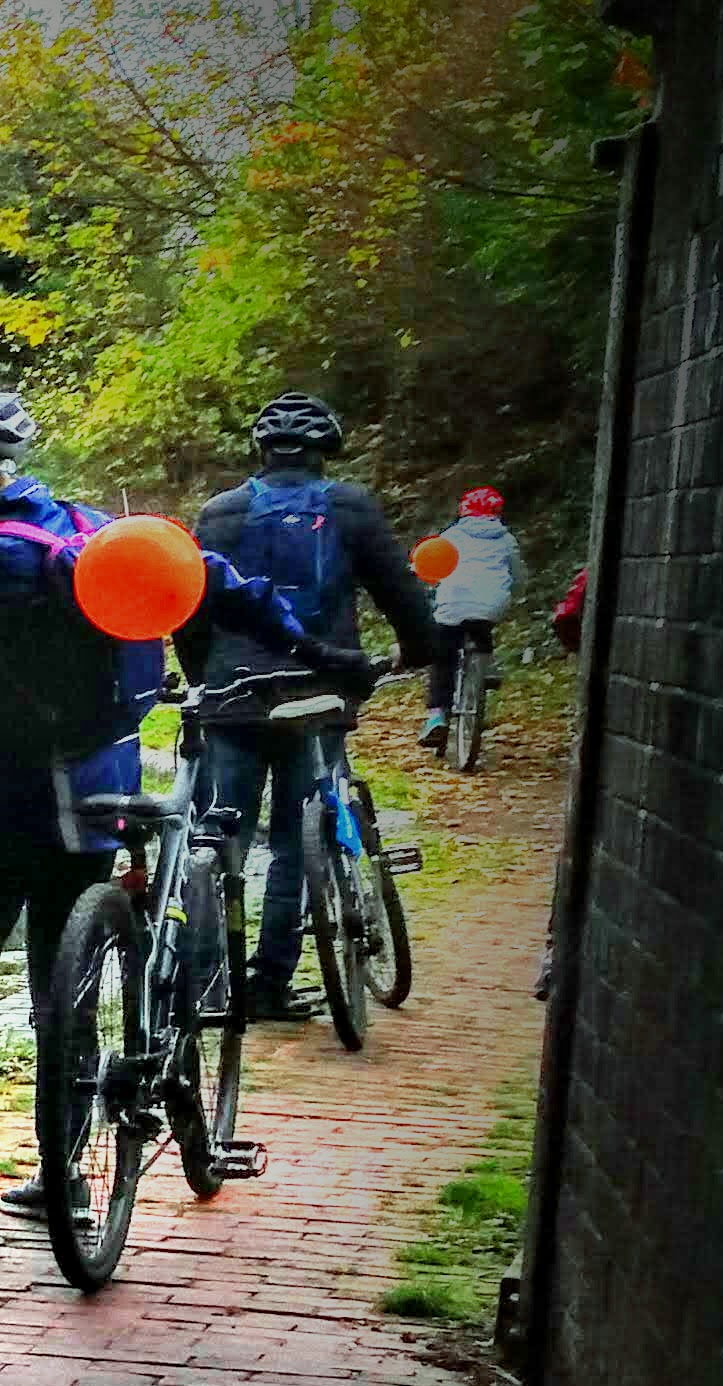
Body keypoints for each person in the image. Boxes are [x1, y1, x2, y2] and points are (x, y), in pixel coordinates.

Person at [0, 389, 365, 1231]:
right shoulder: (93, 531)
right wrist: (319, 652)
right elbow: (213, 581)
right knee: (61, 990)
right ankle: (63, 1180)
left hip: (1, 800)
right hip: (96, 794)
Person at [176, 393, 445, 1019]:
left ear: (260, 450)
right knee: (298, 839)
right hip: (316, 691)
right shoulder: (349, 508)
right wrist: (415, 652)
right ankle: (270, 981)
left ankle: (210, 983)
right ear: (327, 451)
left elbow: (191, 605)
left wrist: (205, 678)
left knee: (221, 835)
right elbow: (401, 594)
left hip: (232, 695)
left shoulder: (220, 512)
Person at [419, 486, 525, 749]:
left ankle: (436, 717)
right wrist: (514, 591)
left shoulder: (451, 535)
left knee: (442, 658)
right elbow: (519, 575)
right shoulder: (506, 539)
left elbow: (433, 566)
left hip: (453, 602)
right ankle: (486, 665)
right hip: (490, 603)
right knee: (481, 627)